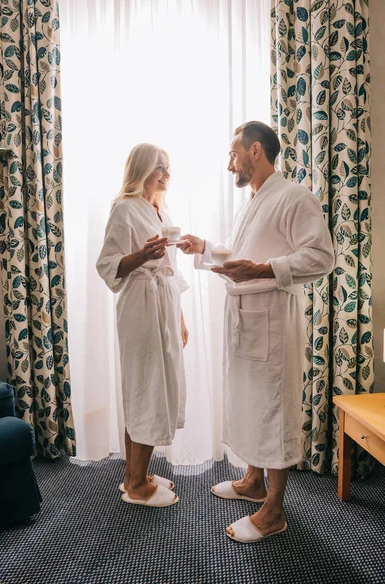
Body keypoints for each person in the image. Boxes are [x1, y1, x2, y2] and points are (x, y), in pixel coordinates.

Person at [181, 121, 334, 542]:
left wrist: (267, 269)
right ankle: (253, 480)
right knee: (248, 403)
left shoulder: (293, 197)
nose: (229, 162)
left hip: (270, 319)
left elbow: (322, 256)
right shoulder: (252, 202)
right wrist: (207, 249)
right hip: (245, 318)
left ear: (254, 152)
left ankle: (275, 509)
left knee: (273, 408)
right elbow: (243, 257)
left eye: (233, 153)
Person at [96, 143, 189, 507]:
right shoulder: (123, 208)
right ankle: (136, 486)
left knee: (152, 386)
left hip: (163, 303)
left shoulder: (160, 210)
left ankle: (135, 473)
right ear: (142, 169)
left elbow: (171, 271)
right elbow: (108, 265)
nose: (166, 174)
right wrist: (143, 255)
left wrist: (179, 318)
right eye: (159, 167)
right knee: (146, 387)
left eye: (167, 167)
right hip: (139, 306)